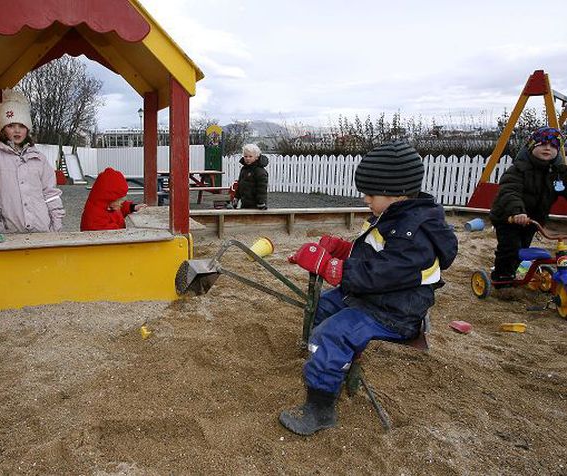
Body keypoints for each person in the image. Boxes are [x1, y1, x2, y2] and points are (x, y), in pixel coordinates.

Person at [279, 140, 458, 436]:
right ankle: (326, 360)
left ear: (398, 194)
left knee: (332, 335)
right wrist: (339, 250)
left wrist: (331, 267)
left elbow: (382, 273)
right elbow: (372, 256)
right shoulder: (391, 217)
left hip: (394, 312)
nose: (365, 199)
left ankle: (320, 408)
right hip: (375, 297)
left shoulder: (414, 234)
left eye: (371, 194)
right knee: (324, 306)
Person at [0, 88, 65, 234]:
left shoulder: (39, 159)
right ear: (3, 128)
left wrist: (56, 220)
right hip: (8, 229)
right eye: (11, 126)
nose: (17, 131)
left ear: (27, 129)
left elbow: (50, 192)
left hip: (41, 228)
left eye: (22, 126)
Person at [489, 126, 566, 284]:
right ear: (531, 146)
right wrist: (517, 212)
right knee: (510, 248)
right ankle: (502, 278)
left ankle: (515, 270)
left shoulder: (559, 173)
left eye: (553, 146)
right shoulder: (518, 169)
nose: (547, 148)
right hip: (509, 216)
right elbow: (510, 191)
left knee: (524, 248)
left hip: (534, 220)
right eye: (542, 144)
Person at [80, 167, 147, 231]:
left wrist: (132, 207)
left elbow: (119, 209)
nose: (121, 204)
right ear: (109, 199)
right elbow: (113, 235)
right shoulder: (95, 217)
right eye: (120, 200)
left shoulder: (108, 206)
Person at [231, 143, 268, 209]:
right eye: (245, 156)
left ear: (256, 157)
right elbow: (240, 185)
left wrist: (261, 202)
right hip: (245, 203)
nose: (248, 158)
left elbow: (262, 188)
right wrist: (236, 198)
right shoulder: (244, 169)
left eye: (250, 156)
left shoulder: (260, 171)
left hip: (257, 205)